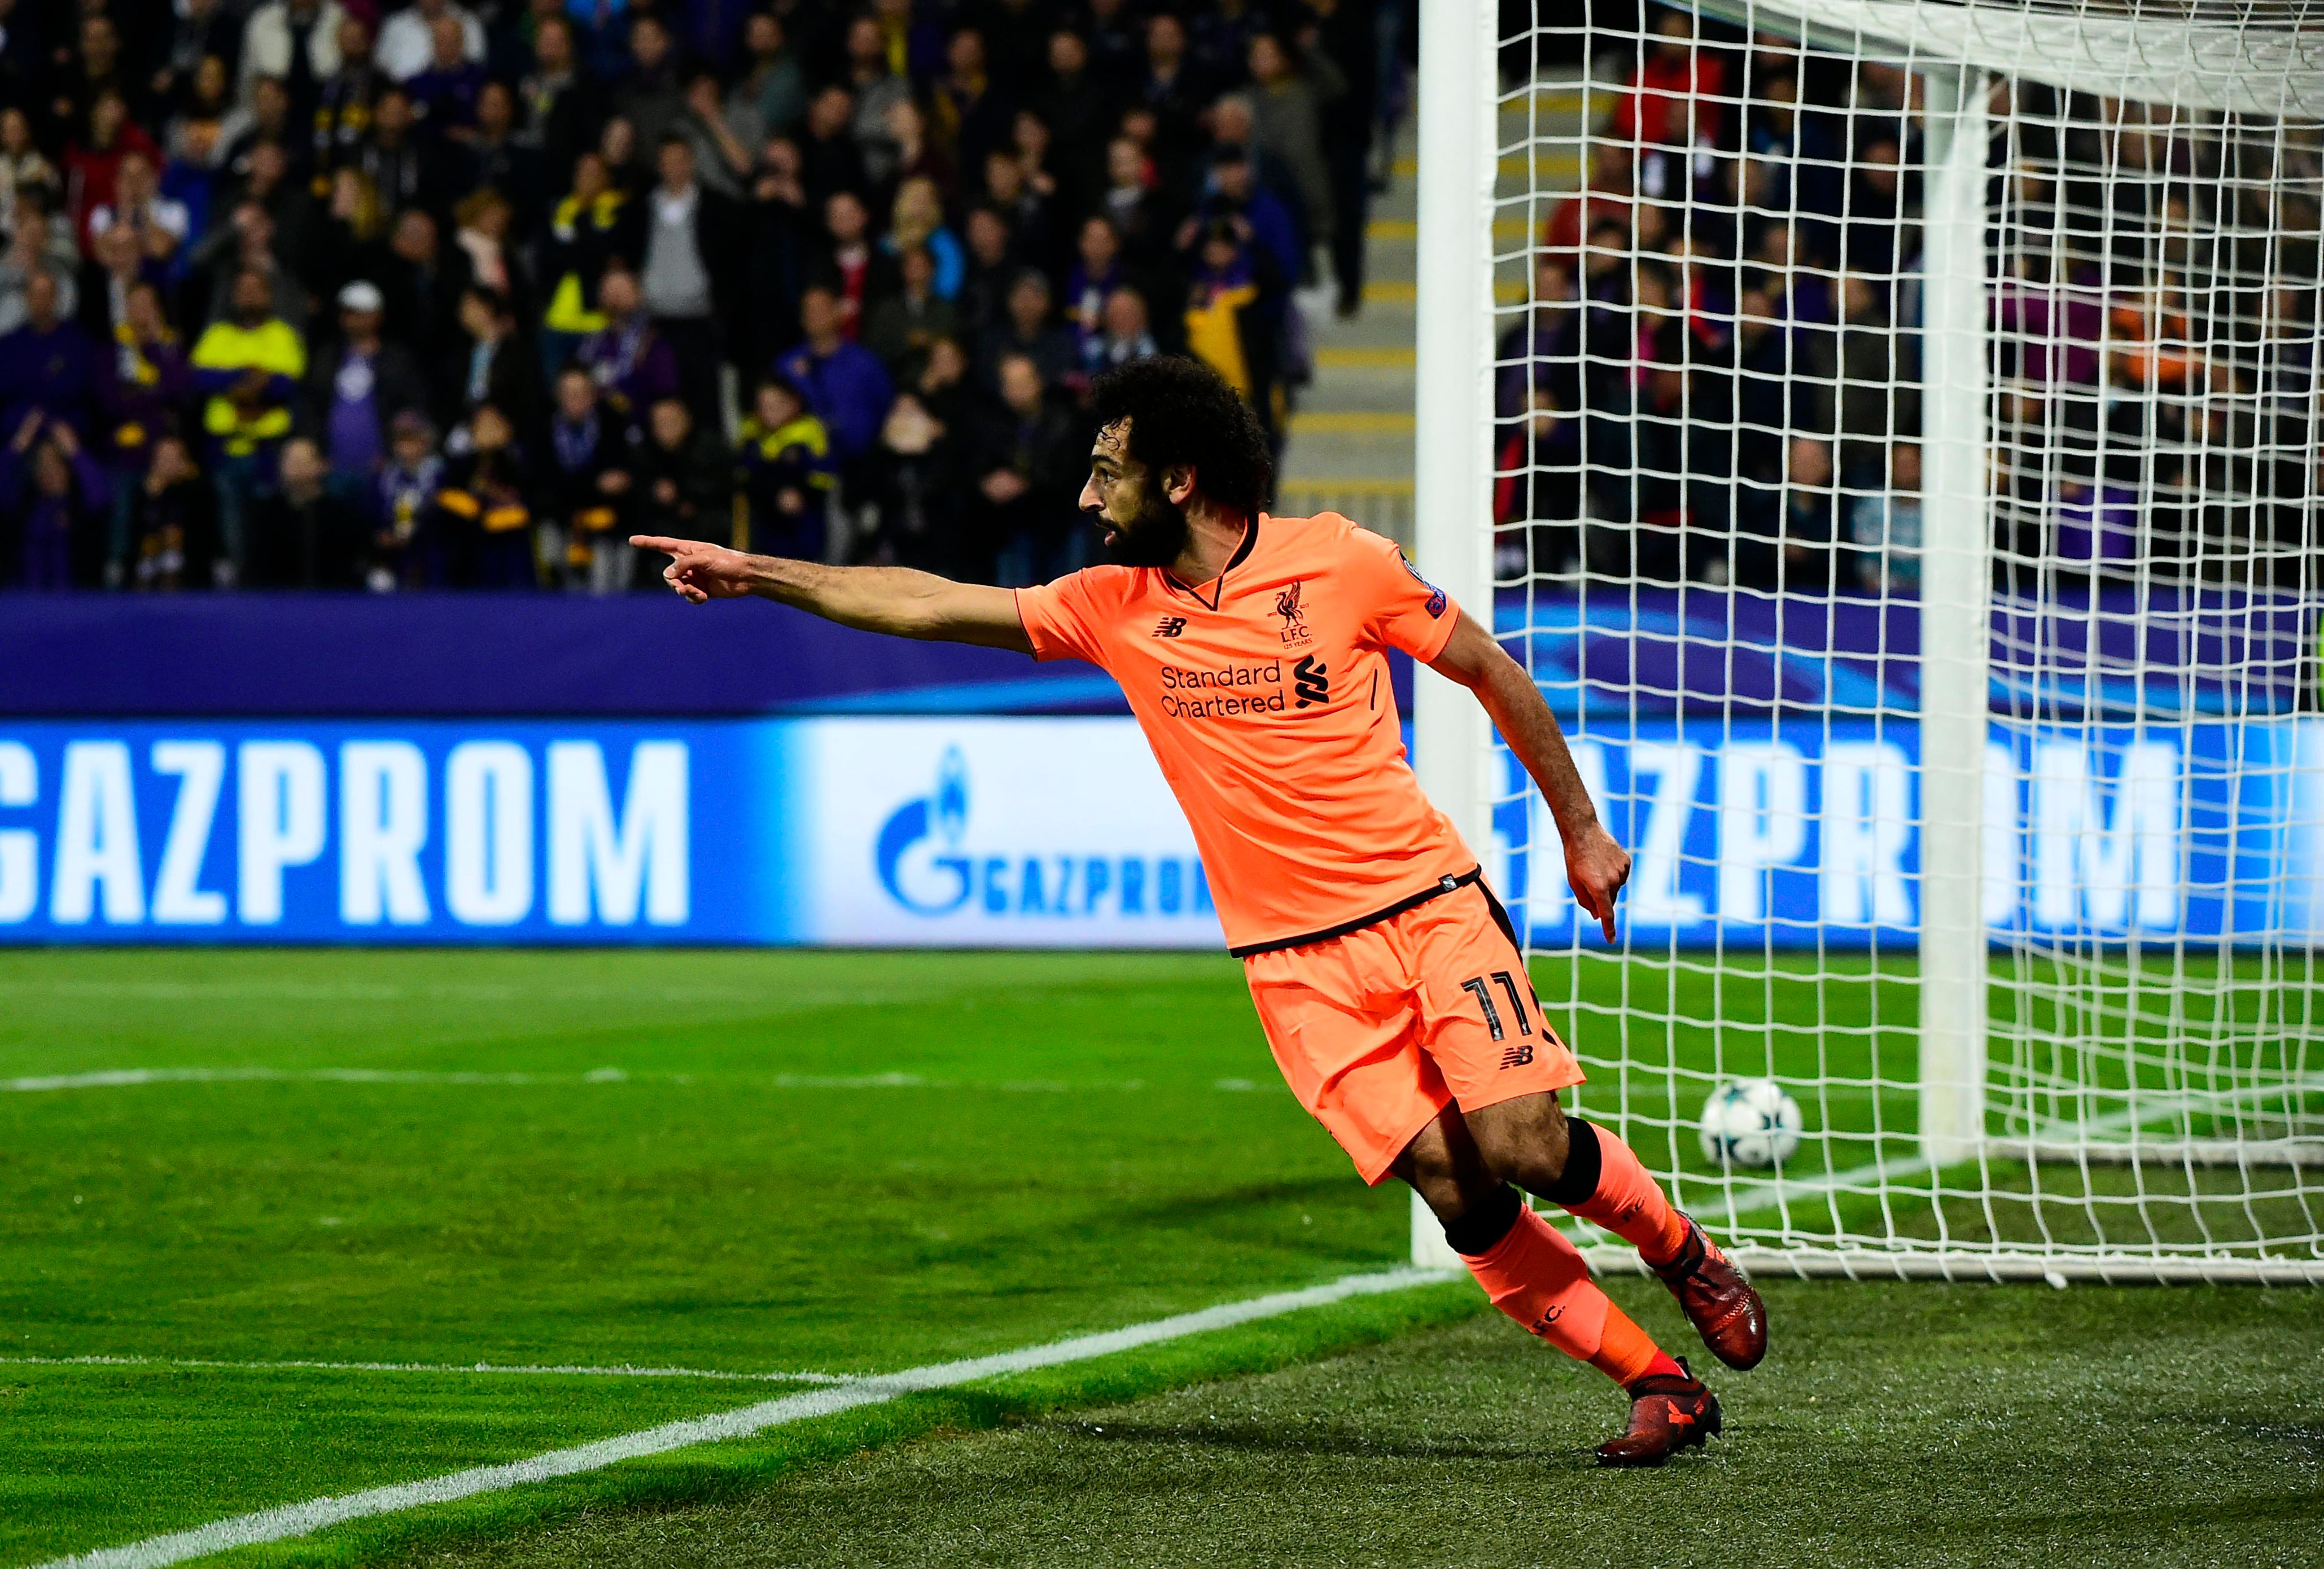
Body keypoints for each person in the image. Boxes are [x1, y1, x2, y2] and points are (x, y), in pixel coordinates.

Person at [632, 356, 1767, 1465]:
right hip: (1291, 963)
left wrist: (1578, 829)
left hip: (1426, 905)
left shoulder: (1339, 562)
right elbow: (926, 603)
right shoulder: (1109, 605)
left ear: (1177, 478)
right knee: (1450, 1184)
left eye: (1104, 472)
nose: (1084, 498)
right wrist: (759, 570)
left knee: (1515, 1139)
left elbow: (1488, 668)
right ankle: (1656, 1381)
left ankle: (1679, 1249)